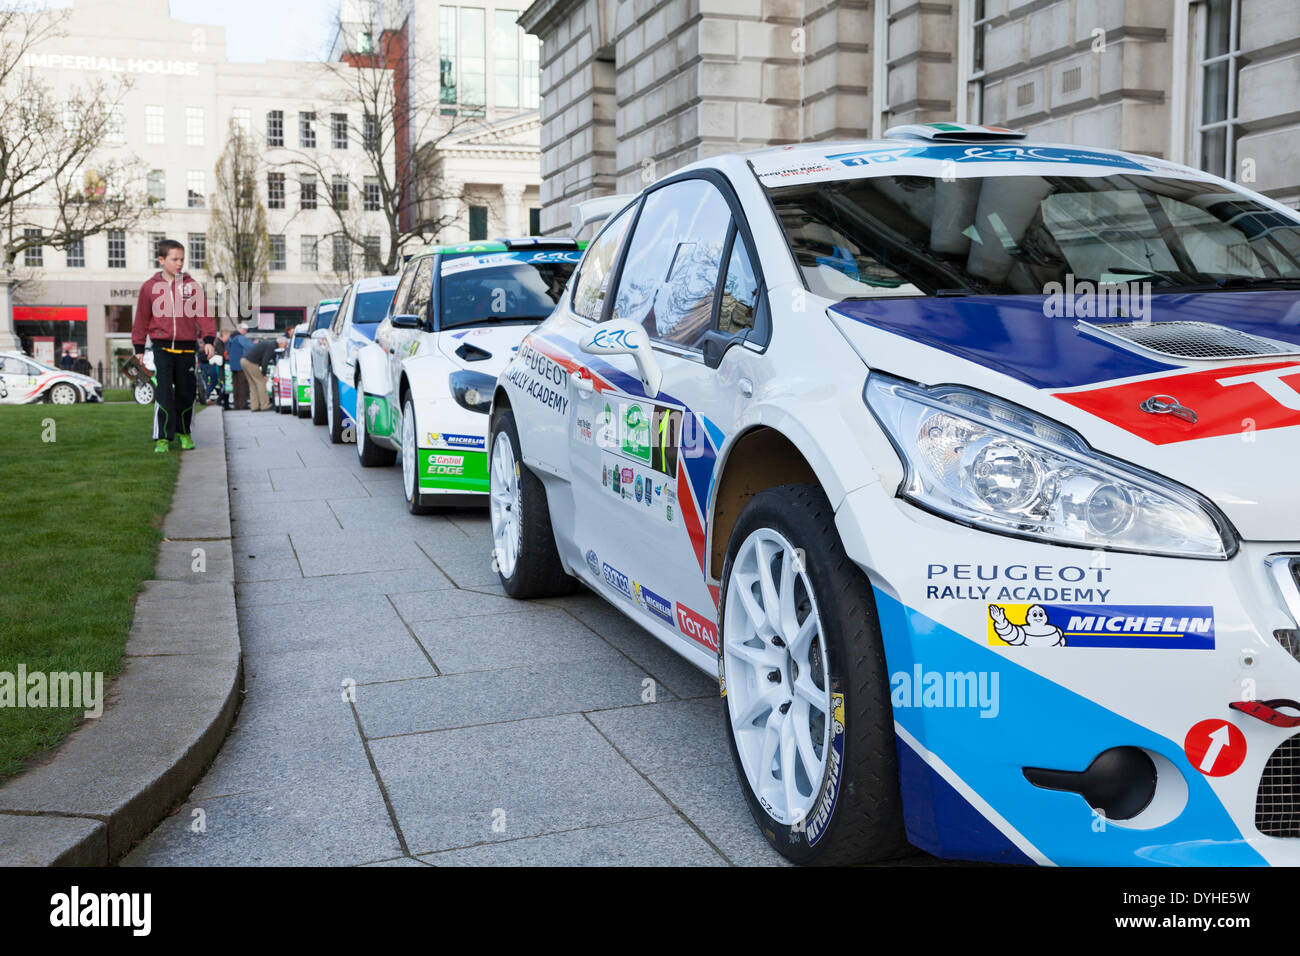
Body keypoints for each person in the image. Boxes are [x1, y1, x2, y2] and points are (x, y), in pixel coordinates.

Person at [131, 238, 215, 452]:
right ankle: (162, 437)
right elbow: (141, 319)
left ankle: (184, 433)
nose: (179, 263)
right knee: (164, 393)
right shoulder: (149, 288)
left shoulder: (191, 286)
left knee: (187, 392)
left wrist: (208, 340)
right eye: (174, 259)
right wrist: (139, 349)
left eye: (182, 259)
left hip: (187, 348)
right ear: (161, 260)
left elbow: (203, 314)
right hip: (162, 348)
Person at [241, 336, 285, 412]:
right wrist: (264, 374)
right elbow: (265, 360)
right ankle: (264, 406)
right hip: (251, 362)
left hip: (244, 361)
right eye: (286, 344)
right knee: (261, 382)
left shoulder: (270, 344)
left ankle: (254, 406)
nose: (286, 346)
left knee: (253, 384)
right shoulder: (272, 346)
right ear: (281, 343)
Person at [227, 322, 254, 410]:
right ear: (241, 330)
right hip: (240, 365)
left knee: (236, 386)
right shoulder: (240, 338)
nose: (246, 332)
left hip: (233, 365)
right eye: (245, 330)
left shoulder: (231, 338)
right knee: (243, 386)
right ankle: (243, 405)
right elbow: (251, 347)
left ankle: (237, 405)